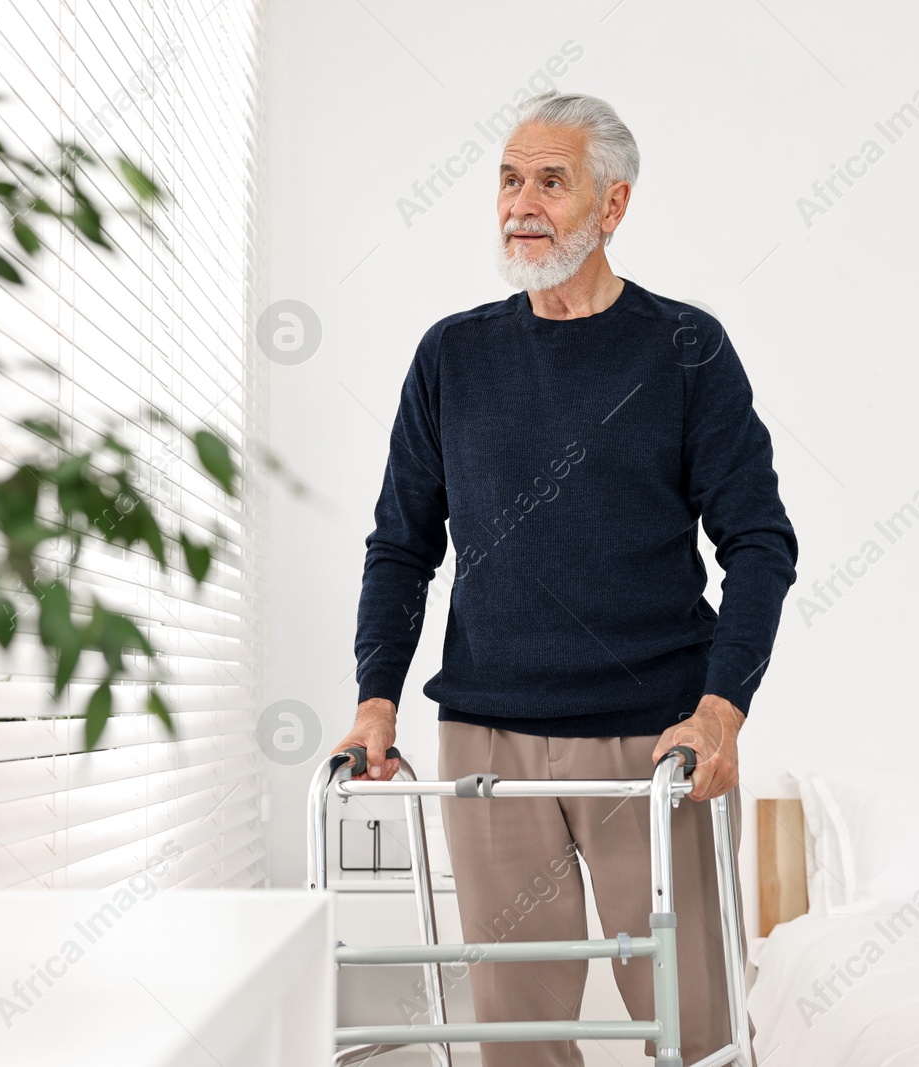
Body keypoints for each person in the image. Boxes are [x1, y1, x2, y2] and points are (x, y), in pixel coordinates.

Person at [330, 90, 799, 1067]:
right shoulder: (453, 353)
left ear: (612, 204)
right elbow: (401, 544)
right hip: (486, 736)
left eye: (552, 179)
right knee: (516, 1035)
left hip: (656, 741)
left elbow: (758, 541)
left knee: (697, 1026)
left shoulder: (685, 347)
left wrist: (721, 711)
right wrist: (375, 700)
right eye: (508, 178)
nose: (522, 201)